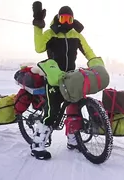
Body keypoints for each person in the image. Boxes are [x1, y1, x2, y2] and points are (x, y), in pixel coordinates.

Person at [30, 1, 99, 160]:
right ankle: (37, 145)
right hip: (54, 77)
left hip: (71, 77)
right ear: (58, 19)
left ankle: (73, 139)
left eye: (69, 19)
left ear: (73, 19)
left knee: (75, 107)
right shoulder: (50, 33)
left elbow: (88, 52)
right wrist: (38, 26)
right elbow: (39, 47)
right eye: (63, 19)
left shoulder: (76, 35)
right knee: (52, 111)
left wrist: (96, 65)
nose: (66, 23)